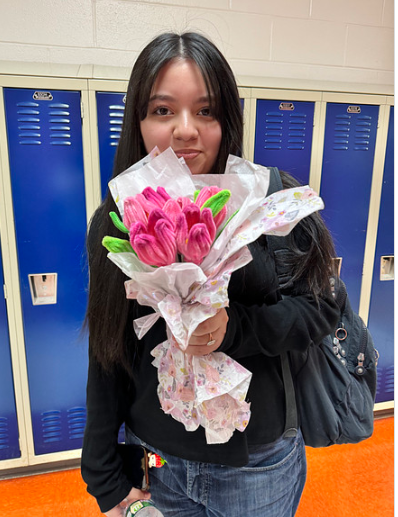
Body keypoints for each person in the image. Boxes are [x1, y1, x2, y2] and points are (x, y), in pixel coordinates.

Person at [81, 32, 340, 517]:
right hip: (158, 463)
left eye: (205, 111)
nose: (185, 130)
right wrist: (103, 476)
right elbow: (106, 347)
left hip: (258, 468)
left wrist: (234, 327)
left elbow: (324, 306)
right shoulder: (119, 220)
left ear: (227, 121)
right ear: (138, 121)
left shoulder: (268, 200)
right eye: (162, 111)